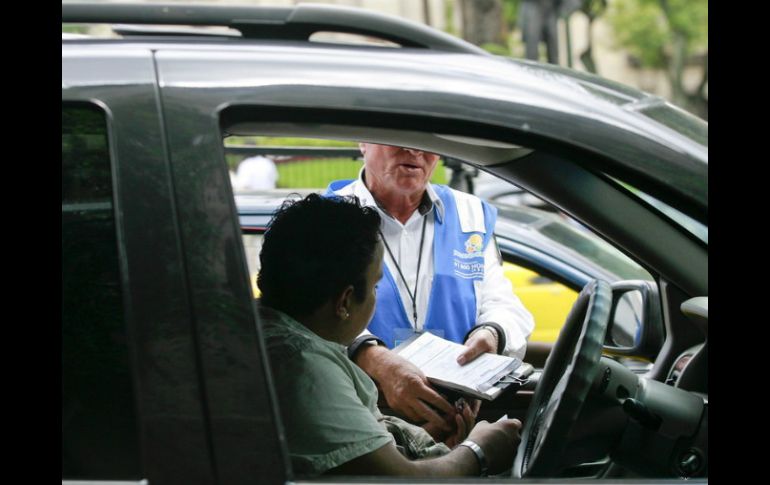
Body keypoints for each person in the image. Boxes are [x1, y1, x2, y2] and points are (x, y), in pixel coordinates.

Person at [257, 194, 522, 476]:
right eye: (375, 287)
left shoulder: (274, 339)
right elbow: (399, 480)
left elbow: (362, 459)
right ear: (345, 302)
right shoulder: (303, 368)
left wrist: (430, 450)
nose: (375, 296)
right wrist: (480, 450)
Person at [327, 144, 534, 436]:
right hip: (359, 417)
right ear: (363, 141)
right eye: (399, 135)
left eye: (426, 141)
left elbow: (504, 304)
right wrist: (373, 359)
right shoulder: (326, 216)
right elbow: (303, 316)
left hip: (453, 418)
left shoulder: (470, 214)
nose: (413, 150)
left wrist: (491, 334)